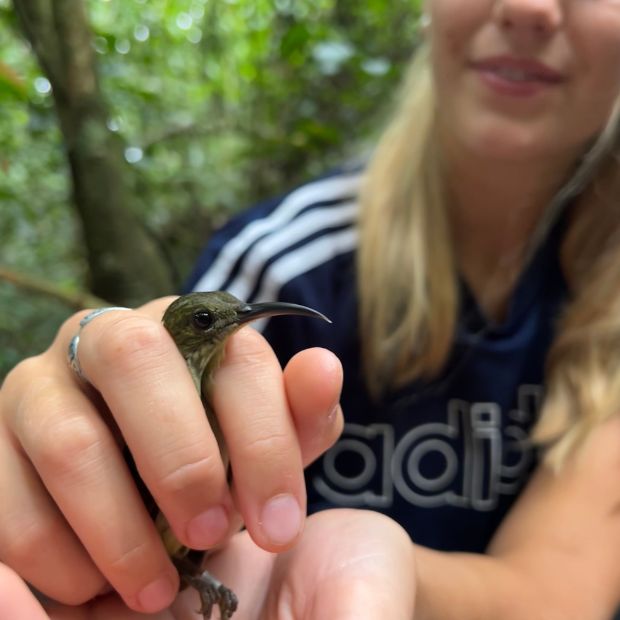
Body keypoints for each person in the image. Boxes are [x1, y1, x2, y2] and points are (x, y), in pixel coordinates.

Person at [3, 0, 620, 617]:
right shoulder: (285, 261)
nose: (529, 7)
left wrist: (351, 573)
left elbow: (555, 590)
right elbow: (153, 442)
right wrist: (84, 400)